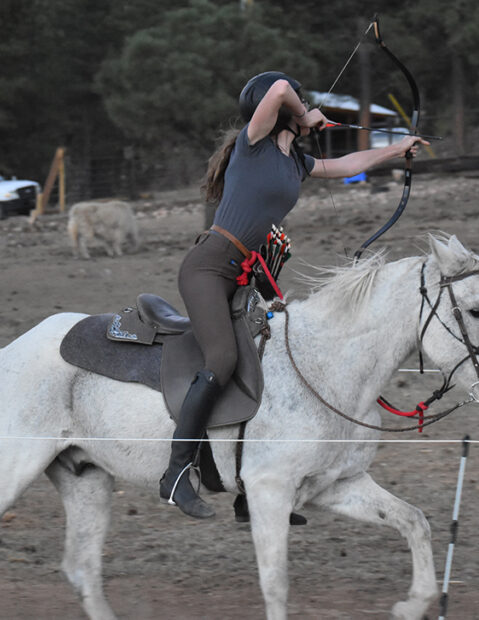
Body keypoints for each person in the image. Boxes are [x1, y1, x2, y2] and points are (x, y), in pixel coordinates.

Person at [159, 70, 430, 519]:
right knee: (222, 360)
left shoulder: (294, 163)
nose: (302, 106)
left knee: (269, 357)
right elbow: (281, 88)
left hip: (241, 274)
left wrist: (397, 148)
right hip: (208, 267)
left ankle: (252, 493)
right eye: (299, 105)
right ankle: (175, 474)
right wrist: (309, 114)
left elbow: (348, 165)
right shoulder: (255, 141)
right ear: (285, 112)